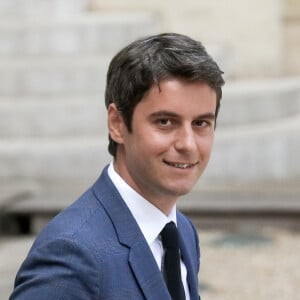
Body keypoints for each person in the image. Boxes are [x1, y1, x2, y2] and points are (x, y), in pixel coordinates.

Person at [10, 32, 225, 300]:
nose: (188, 144)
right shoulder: (70, 254)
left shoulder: (182, 230)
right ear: (117, 124)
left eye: (201, 123)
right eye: (165, 122)